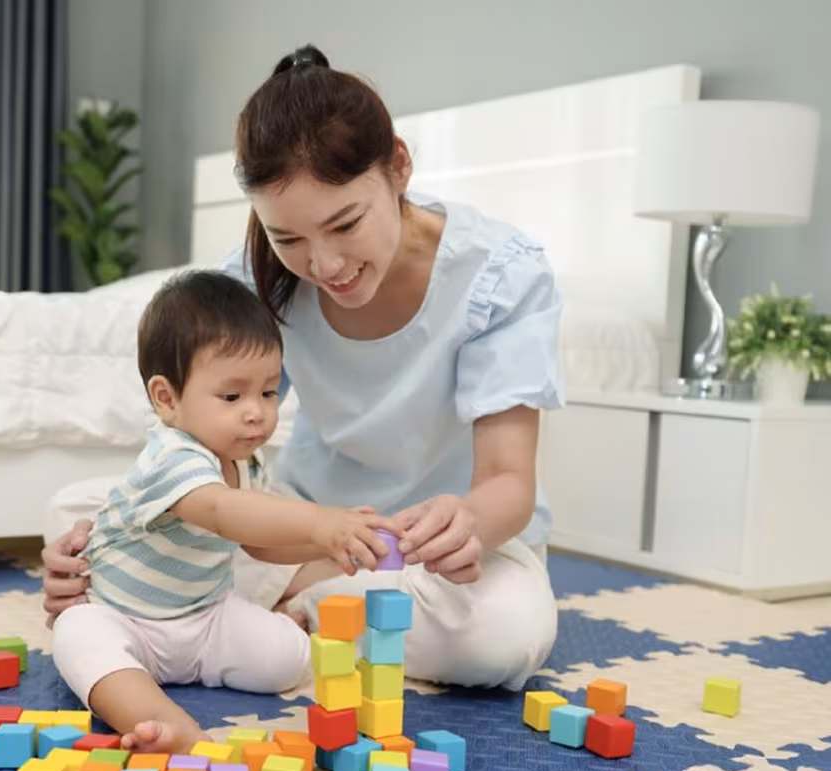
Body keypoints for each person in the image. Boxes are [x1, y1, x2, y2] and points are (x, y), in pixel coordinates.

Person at [43, 44, 564, 700]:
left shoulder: (501, 276)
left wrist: (470, 522)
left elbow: (509, 484)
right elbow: (201, 449)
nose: (323, 265)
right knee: (76, 510)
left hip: (443, 547)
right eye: (288, 238)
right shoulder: (257, 275)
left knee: (506, 637)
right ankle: (305, 604)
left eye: (345, 224)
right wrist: (102, 537)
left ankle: (262, 607)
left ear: (398, 165)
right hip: (303, 523)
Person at [51, 269, 398, 753]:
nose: (256, 411)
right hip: (125, 618)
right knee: (77, 636)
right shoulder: (171, 458)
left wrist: (327, 544)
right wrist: (320, 521)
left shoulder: (245, 461)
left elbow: (258, 542)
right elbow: (221, 511)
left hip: (206, 618)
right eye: (232, 397)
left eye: (269, 391)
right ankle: (163, 722)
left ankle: (283, 628)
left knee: (287, 659)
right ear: (167, 399)